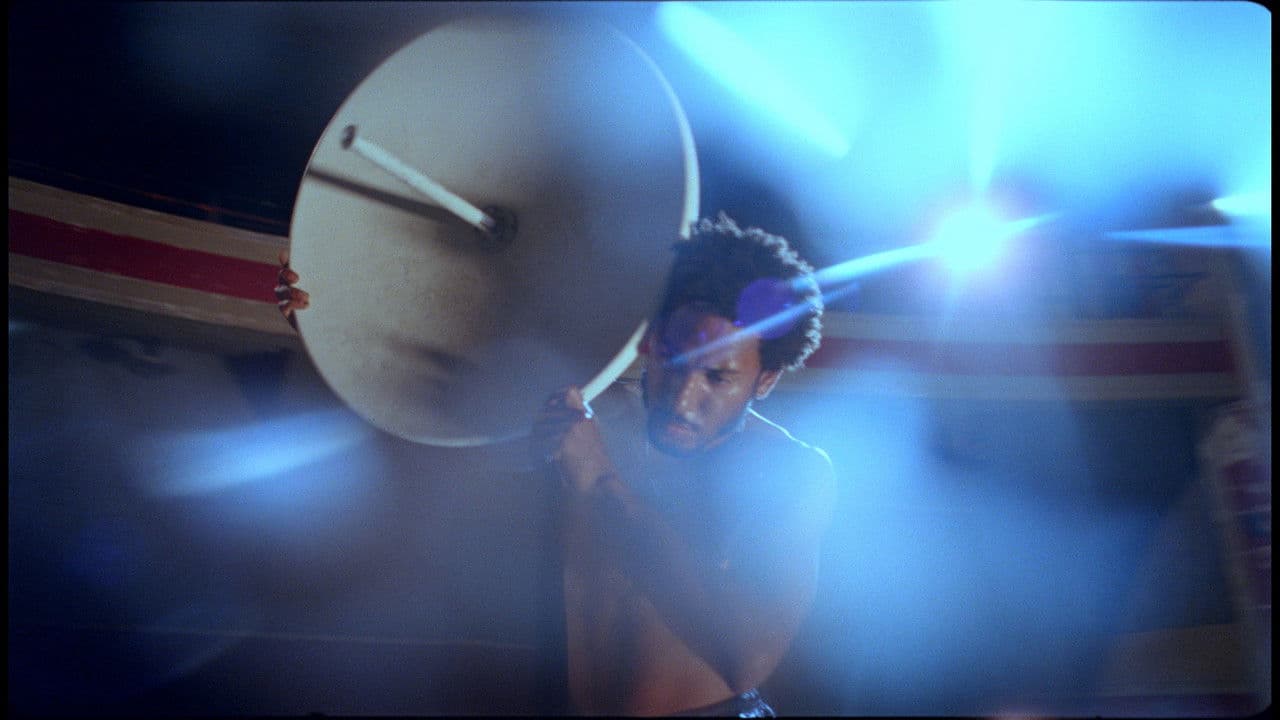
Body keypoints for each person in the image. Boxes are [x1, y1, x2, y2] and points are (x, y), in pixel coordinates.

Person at [276, 213, 836, 717]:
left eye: (717, 377)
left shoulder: (790, 473)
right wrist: (334, 323)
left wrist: (600, 482)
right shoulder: (595, 415)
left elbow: (745, 656)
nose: (683, 398)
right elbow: (427, 416)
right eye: (673, 359)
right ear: (651, 343)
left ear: (766, 380)